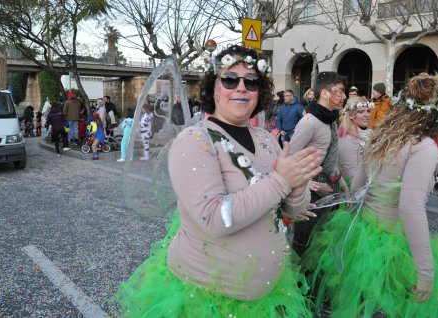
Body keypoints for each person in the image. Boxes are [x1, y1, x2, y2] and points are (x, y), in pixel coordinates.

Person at [114, 45, 324, 317]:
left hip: (268, 297)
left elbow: (288, 211)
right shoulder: (194, 141)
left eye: (251, 81)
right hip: (208, 300)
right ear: (214, 89)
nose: (241, 88)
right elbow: (213, 218)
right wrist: (282, 180)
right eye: (229, 79)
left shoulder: (266, 140)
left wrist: (297, 186)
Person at [300, 73, 438, 317]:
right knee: (390, 305)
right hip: (390, 242)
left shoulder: (381, 137)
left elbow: (358, 185)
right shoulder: (422, 145)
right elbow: (410, 207)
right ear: (436, 111)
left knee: (358, 302)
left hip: (361, 233)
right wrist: (425, 272)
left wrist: (348, 225)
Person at [289, 71, 348, 256]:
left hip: (330, 186)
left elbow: (330, 157)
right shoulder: (309, 122)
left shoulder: (329, 118)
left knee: (323, 242)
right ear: (325, 93)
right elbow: (290, 159)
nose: (344, 96)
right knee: (306, 243)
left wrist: (343, 185)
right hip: (311, 192)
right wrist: (310, 185)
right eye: (340, 91)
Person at [338, 96, 374, 186]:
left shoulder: (369, 134)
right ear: (350, 115)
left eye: (368, 111)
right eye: (361, 112)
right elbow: (353, 180)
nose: (367, 115)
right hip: (357, 194)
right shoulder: (348, 141)